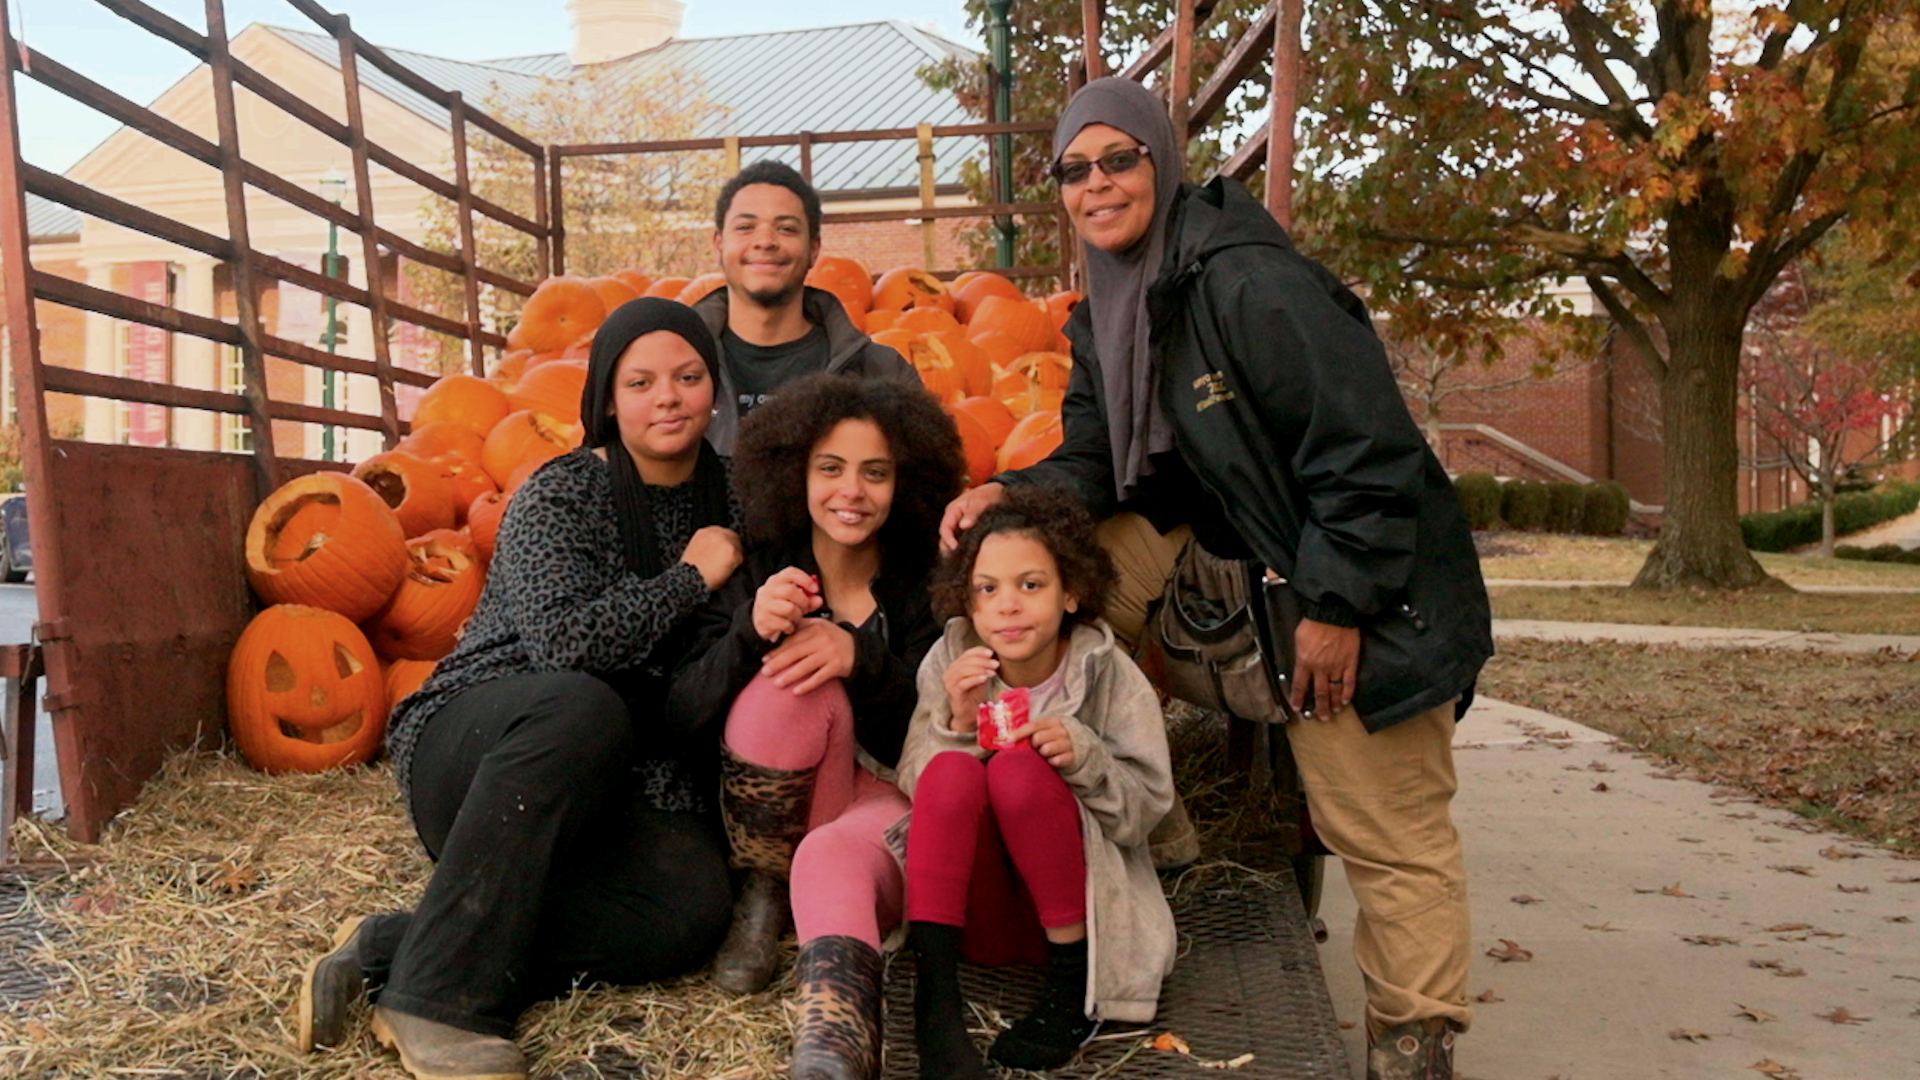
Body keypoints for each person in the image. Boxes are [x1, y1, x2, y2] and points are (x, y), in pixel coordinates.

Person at [939, 78, 1495, 1080]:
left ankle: (1414, 1044)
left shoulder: (1247, 285)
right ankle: (1147, 821)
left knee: (1380, 821)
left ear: (1162, 159)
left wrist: (1335, 604)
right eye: (1075, 168)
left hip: (1367, 576)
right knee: (1049, 590)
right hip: (1246, 545)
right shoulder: (1113, 299)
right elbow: (1100, 455)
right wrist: (1005, 495)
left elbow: (1369, 456)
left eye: (1120, 160)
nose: (1097, 184)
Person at [295, 299, 745, 1080]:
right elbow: (564, 646)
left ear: (714, 388)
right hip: (487, 748)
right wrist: (689, 577)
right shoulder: (560, 492)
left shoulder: (739, 498)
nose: (667, 396)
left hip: (624, 772)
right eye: (641, 381)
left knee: (688, 907)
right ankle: (436, 1002)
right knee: (582, 703)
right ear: (607, 397)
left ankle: (395, 949)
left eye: (687, 376)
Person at [667, 373, 965, 1079]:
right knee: (787, 681)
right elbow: (681, 715)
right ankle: (765, 891)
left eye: (875, 473)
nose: (850, 492)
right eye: (829, 469)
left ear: (907, 481)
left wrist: (859, 657)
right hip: (782, 802)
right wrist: (747, 631)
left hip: (888, 808)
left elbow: (937, 736)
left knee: (830, 858)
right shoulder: (760, 566)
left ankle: (832, 1057)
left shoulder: (934, 579)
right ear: (793, 473)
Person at [897, 486, 1175, 1080]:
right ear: (967, 603)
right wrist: (956, 724)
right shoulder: (951, 663)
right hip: (978, 913)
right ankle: (936, 1004)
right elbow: (917, 793)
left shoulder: (1109, 675)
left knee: (1021, 770)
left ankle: (1071, 993)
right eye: (987, 589)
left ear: (1071, 591)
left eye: (1031, 585)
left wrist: (1087, 757)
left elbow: (1147, 811)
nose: (1007, 607)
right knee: (950, 768)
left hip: (1082, 915)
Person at [694, 160, 919, 454]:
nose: (765, 241)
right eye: (746, 227)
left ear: (814, 249)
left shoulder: (880, 374)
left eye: (786, 228)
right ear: (719, 243)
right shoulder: (671, 367)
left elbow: (927, 484)